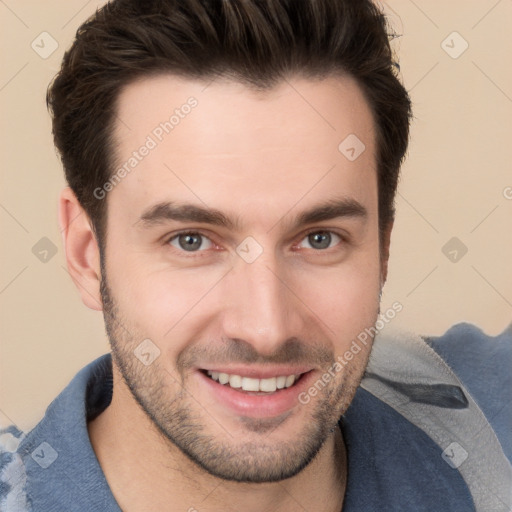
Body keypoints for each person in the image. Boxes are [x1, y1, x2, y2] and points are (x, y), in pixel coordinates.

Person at [1, 0, 510, 510]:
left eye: (319, 239)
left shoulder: (491, 417)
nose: (266, 329)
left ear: (382, 249)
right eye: (192, 241)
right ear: (87, 255)